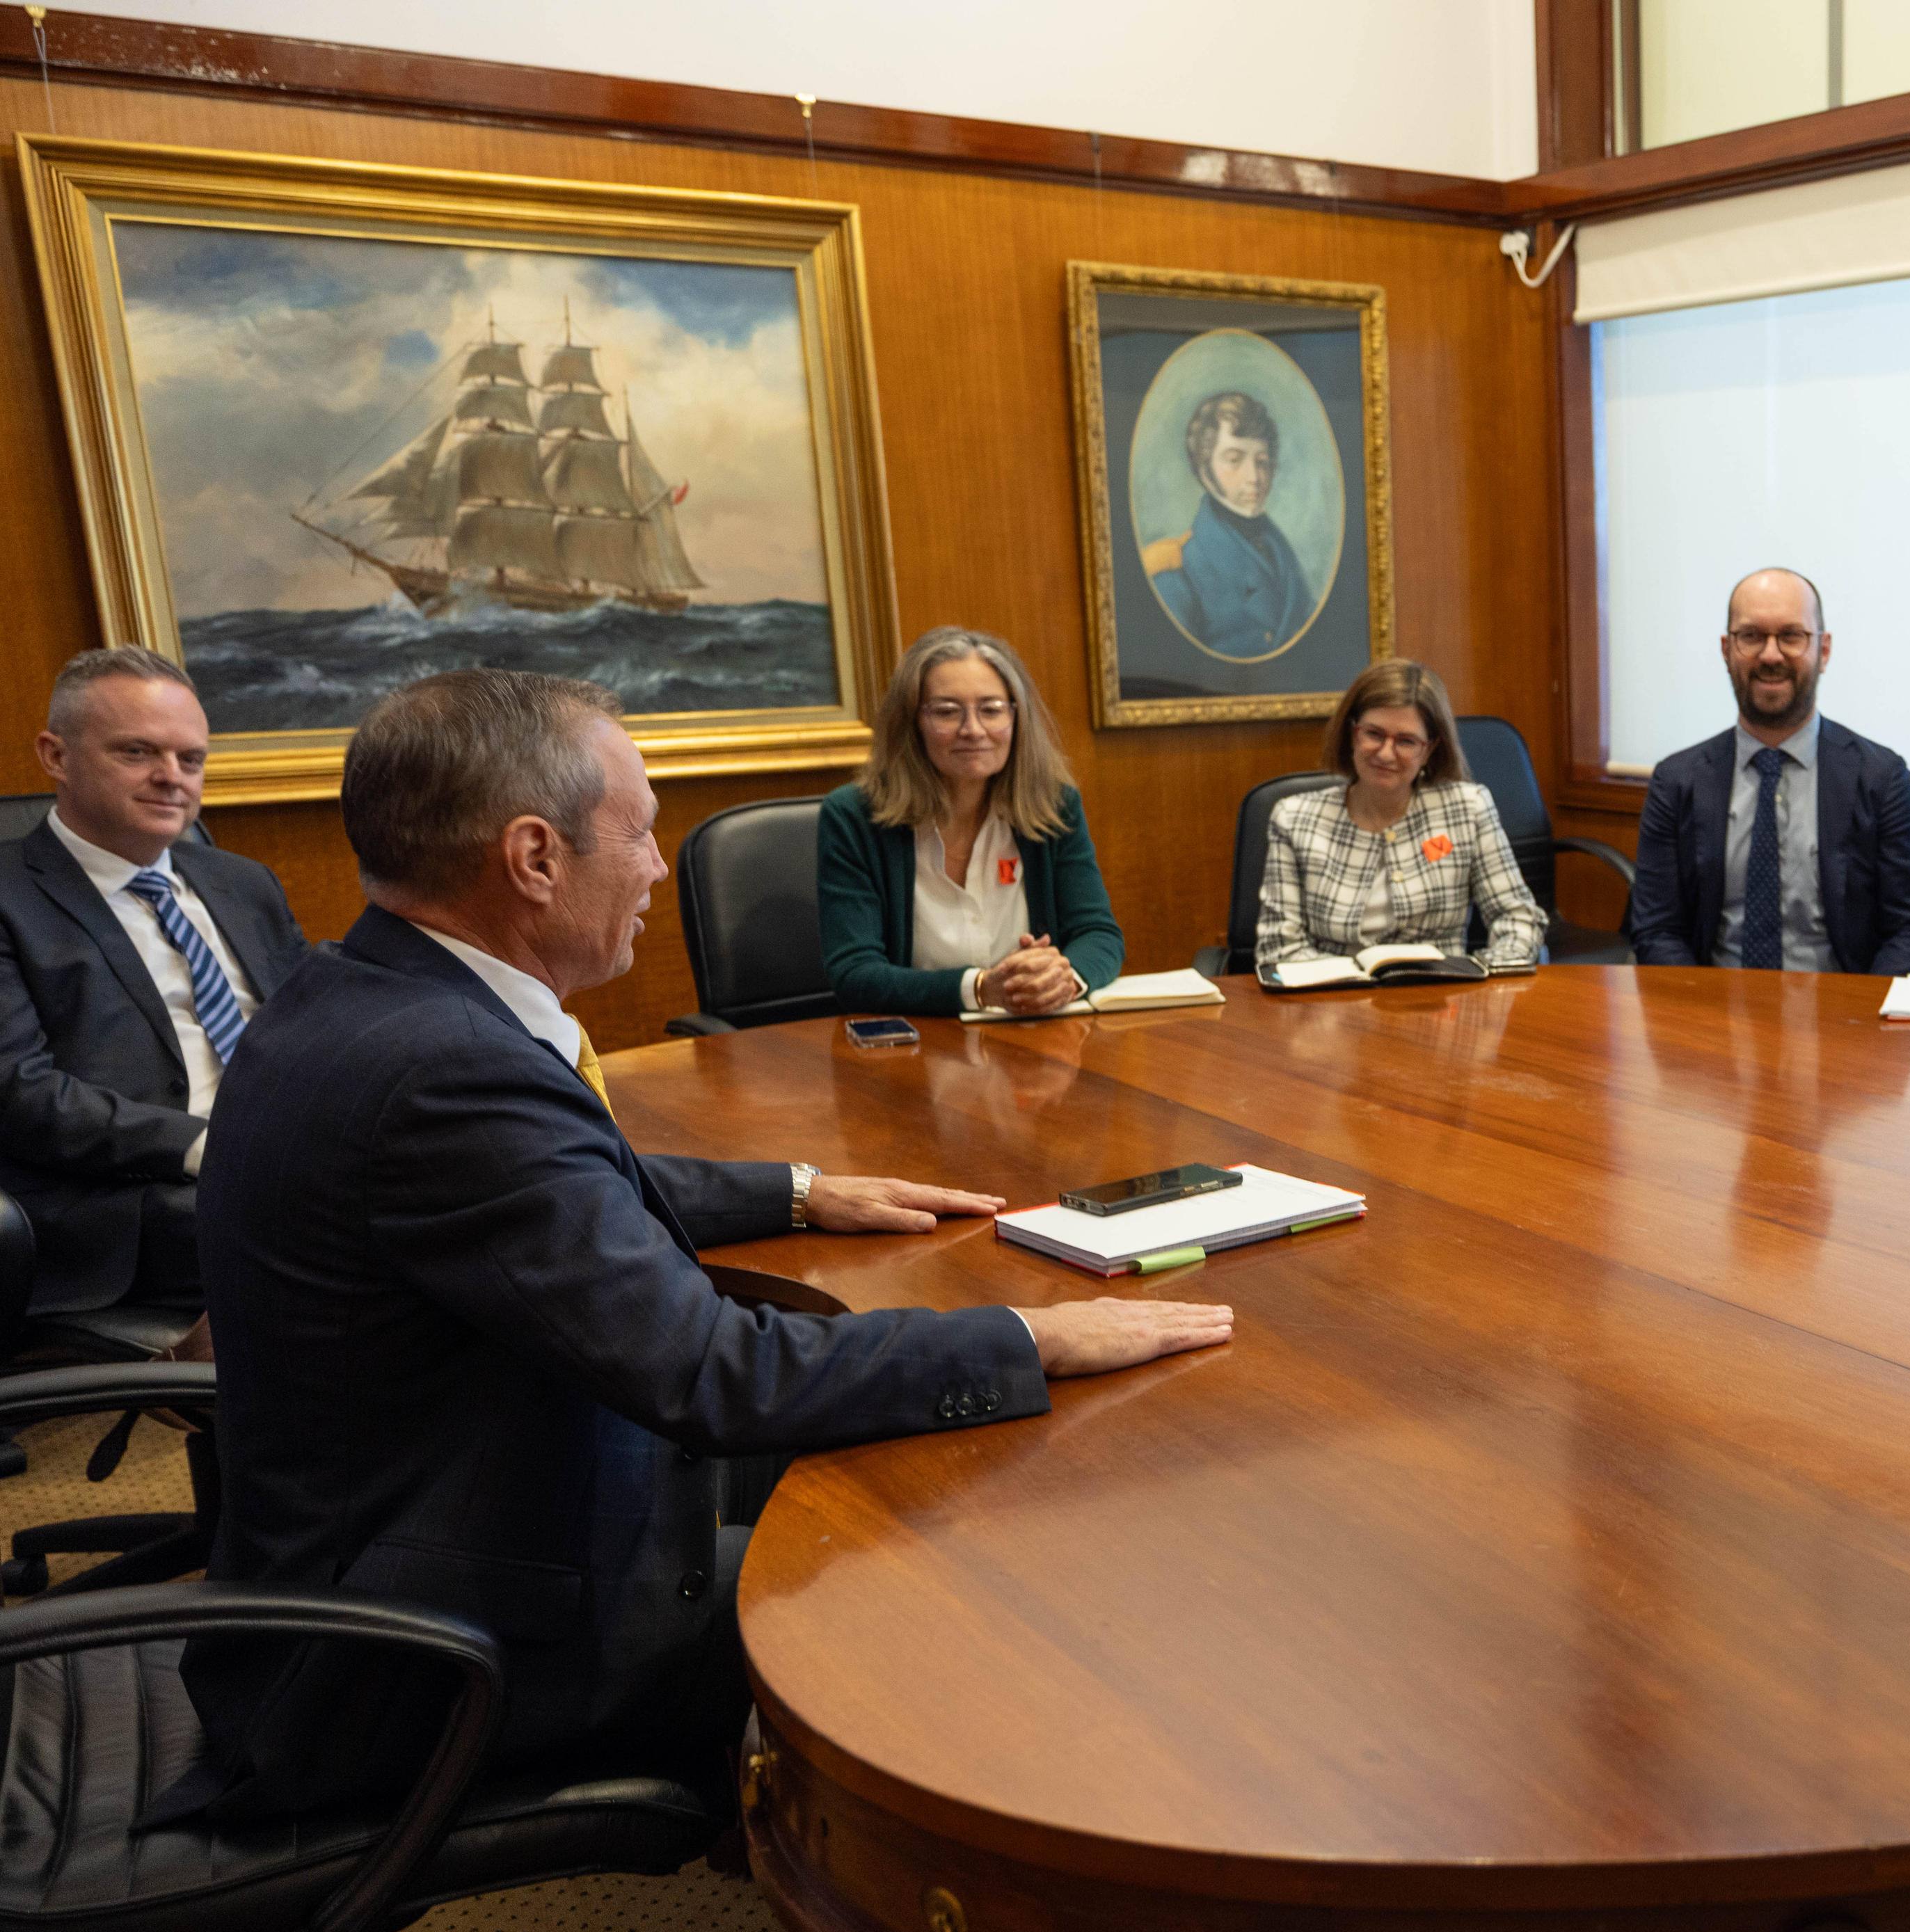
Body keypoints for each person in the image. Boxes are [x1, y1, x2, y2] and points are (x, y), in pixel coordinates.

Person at [180, 669, 1230, 1823]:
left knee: (853, 1478)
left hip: (385, 1535)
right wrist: (1032, 1334)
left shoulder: (362, 992)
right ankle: (893, 1921)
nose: (659, 867)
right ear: (533, 856)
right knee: (947, 1580)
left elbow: (545, 1188)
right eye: (637, 833)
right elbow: (714, 1374)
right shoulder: (451, 1076)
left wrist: (797, 1190)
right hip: (421, 1656)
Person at [0, 645, 305, 1342]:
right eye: (137, 752)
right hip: (122, 1199)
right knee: (344, 1234)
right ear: (56, 754)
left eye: (190, 759)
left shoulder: (242, 881)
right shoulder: (8, 897)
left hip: (283, 1156)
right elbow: (19, 1091)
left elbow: (313, 1031)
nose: (171, 778)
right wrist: (208, 1145)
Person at [1622, 568, 1910, 975]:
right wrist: (1699, 1022)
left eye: (1791, 636)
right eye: (1751, 636)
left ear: (1823, 651)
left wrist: (1862, 1027)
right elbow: (1656, 931)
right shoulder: (1676, 781)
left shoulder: (1882, 778)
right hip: (1713, 1018)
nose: (1771, 655)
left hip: (1842, 1022)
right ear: (1726, 650)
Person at [818, 627, 1125, 1018]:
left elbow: (1099, 935)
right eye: (947, 712)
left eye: (991, 709)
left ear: (1017, 718)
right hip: (916, 1048)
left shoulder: (1054, 806)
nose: (973, 731)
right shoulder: (854, 818)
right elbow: (855, 974)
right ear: (912, 724)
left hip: (1037, 1040)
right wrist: (980, 989)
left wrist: (1064, 979)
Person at [1258, 660, 1547, 970]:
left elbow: (1518, 917)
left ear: (1430, 749)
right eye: (1374, 734)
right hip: (1331, 1004)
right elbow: (1279, 949)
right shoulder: (1295, 819)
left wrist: (1481, 973)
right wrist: (1355, 983)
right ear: (1353, 734)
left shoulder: (1468, 809)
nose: (1385, 753)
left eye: (1406, 741)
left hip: (1442, 1001)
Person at [1144, 390, 1317, 659]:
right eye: (1235, 460)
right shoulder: (1179, 570)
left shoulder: (1281, 552)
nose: (1255, 478)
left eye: (1262, 462)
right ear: (1205, 470)